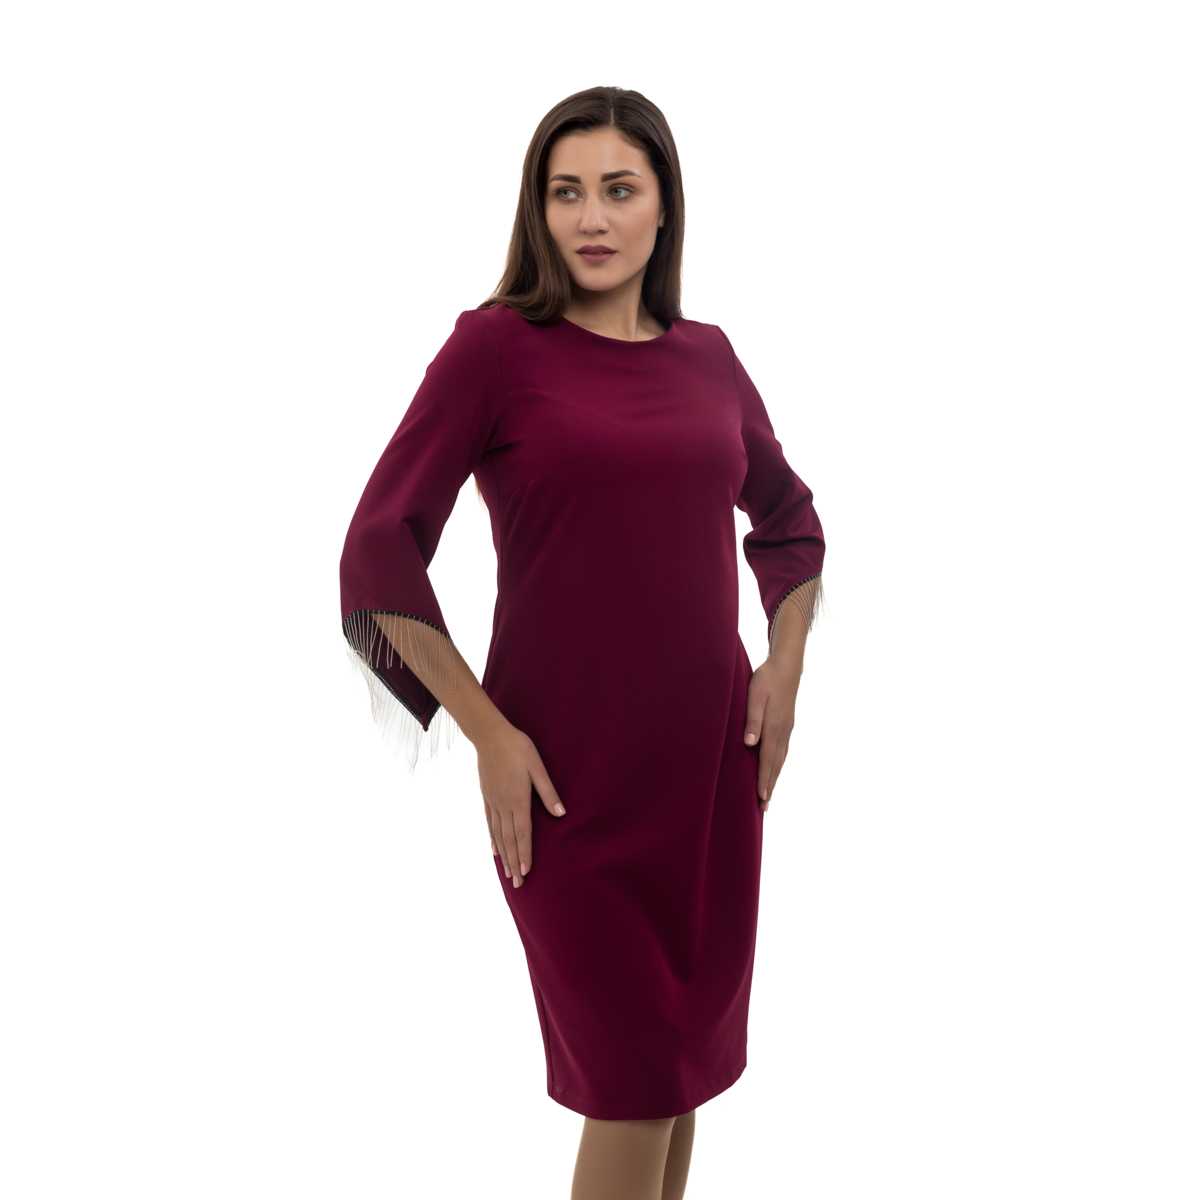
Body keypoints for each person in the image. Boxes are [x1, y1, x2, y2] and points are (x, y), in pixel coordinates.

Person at [339, 85, 824, 1200]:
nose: (591, 218)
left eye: (618, 189)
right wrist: (488, 733)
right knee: (635, 1082)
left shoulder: (710, 358)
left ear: (665, 207)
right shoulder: (495, 350)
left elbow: (790, 520)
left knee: (679, 1076)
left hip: (708, 775)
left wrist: (784, 668)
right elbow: (376, 550)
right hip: (566, 784)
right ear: (537, 209)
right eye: (566, 193)